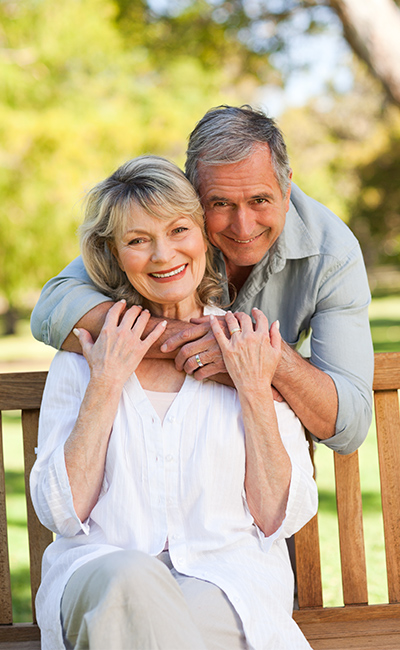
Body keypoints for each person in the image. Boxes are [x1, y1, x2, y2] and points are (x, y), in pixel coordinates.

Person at [30, 156, 318, 650]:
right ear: (115, 256)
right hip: (102, 574)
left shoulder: (246, 347)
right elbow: (60, 511)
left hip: (224, 581)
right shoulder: (83, 357)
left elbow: (280, 517)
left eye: (178, 230)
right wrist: (107, 381)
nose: (164, 255)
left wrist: (252, 389)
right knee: (129, 584)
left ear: (204, 236)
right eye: (138, 240)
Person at [30, 105, 374, 454]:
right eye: (221, 203)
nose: (243, 226)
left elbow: (350, 424)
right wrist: (200, 339)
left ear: (286, 192)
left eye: (259, 200)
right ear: (193, 196)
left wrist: (259, 356)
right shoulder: (171, 232)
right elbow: (52, 309)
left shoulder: (333, 254)